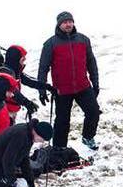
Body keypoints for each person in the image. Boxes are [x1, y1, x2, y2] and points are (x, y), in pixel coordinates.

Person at [37, 11, 101, 150]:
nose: (68, 24)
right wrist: (41, 90)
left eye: (70, 21)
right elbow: (43, 68)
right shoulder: (50, 44)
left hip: (83, 86)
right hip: (62, 90)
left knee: (94, 112)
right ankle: (59, 149)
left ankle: (88, 137)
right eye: (65, 22)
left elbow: (91, 62)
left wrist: (95, 83)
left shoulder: (83, 40)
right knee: (62, 121)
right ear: (59, 24)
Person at [0, 45, 45, 151]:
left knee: (7, 137)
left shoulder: (14, 71)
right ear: (16, 59)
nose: (23, 63)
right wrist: (26, 103)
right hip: (3, 111)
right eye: (22, 60)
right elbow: (14, 92)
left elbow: (30, 82)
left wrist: (48, 87)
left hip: (9, 111)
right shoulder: (5, 73)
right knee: (2, 135)